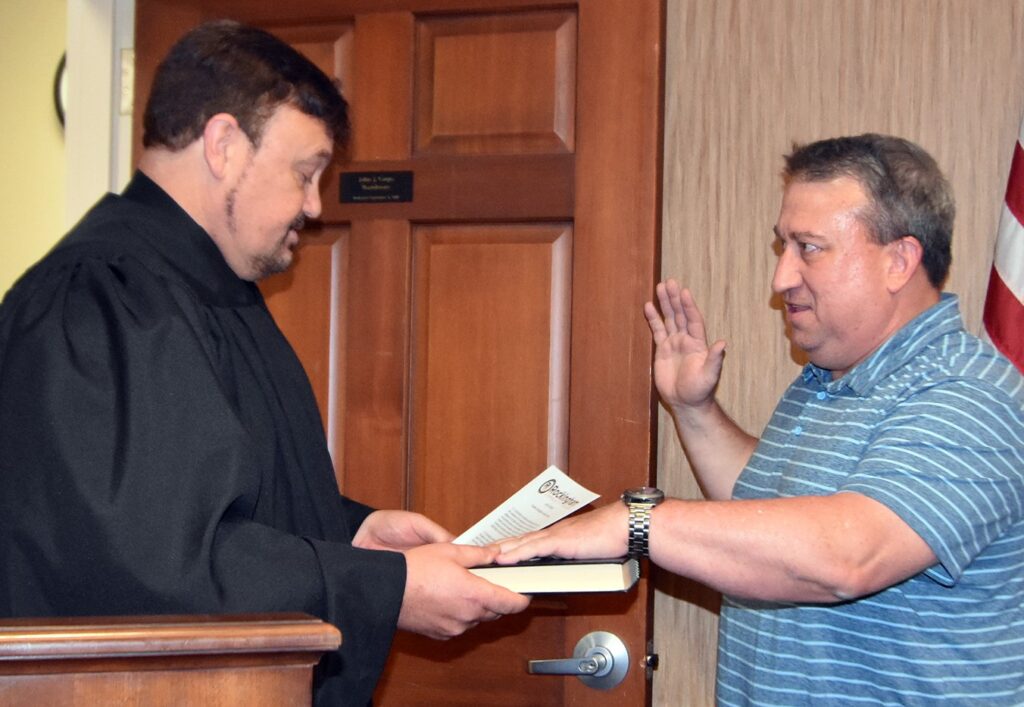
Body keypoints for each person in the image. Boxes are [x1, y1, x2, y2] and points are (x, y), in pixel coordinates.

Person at [0, 20, 528, 707]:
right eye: (304, 173)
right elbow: (152, 569)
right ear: (223, 144)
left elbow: (211, 495)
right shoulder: (96, 299)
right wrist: (387, 587)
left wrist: (354, 533)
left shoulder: (203, 288)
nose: (314, 206)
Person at [497, 134, 1024, 704]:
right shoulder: (824, 377)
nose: (781, 278)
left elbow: (845, 555)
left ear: (898, 260)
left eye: (809, 248)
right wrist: (693, 409)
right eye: (783, 247)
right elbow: (765, 508)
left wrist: (639, 522)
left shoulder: (968, 393)